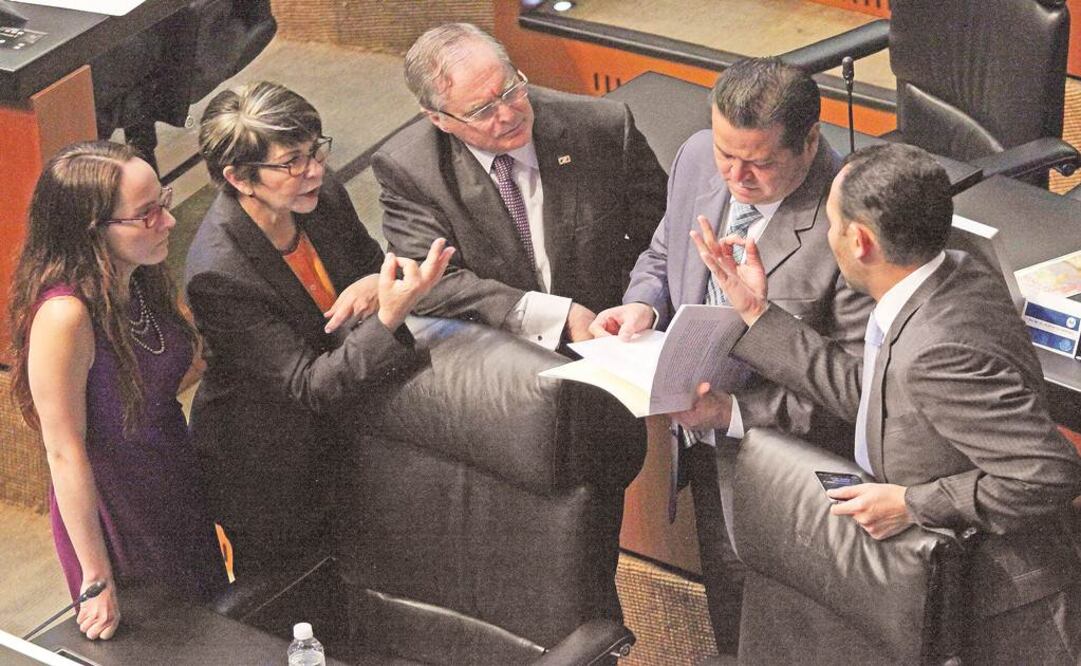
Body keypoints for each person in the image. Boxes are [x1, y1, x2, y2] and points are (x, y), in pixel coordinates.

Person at [695, 142, 1081, 663]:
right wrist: (757, 313)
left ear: (859, 241)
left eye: (831, 225)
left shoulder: (938, 349)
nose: (827, 237)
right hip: (940, 589)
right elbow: (869, 393)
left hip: (1002, 617)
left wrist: (911, 503)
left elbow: (1046, 474)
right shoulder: (947, 275)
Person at [589, 57, 872, 648]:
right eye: (726, 154)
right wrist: (643, 304)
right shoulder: (696, 156)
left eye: (759, 163)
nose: (735, 176)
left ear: (808, 143)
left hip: (793, 470)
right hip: (697, 445)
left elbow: (859, 391)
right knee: (731, 608)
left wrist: (733, 414)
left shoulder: (850, 224)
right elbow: (664, 253)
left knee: (793, 630)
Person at [186, 81, 452, 574]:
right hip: (270, 467)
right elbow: (310, 385)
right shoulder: (218, 274)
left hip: (344, 432)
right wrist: (391, 313)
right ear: (240, 177)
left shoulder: (321, 196)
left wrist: (380, 281)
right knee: (303, 604)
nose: (315, 169)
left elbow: (372, 268)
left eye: (316, 150)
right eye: (292, 162)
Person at [8, 141, 227, 640]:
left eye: (163, 203)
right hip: (117, 509)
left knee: (214, 629)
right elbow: (63, 452)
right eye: (146, 215)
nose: (168, 222)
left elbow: (159, 374)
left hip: (171, 477)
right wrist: (95, 577)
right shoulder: (65, 316)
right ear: (91, 230)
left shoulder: (138, 276)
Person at [373, 23, 667, 350]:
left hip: (613, 335)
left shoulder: (601, 129)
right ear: (439, 119)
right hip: (503, 352)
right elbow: (429, 282)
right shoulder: (411, 169)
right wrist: (556, 317)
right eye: (482, 111)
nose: (508, 114)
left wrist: (642, 302)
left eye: (510, 90)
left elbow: (664, 236)